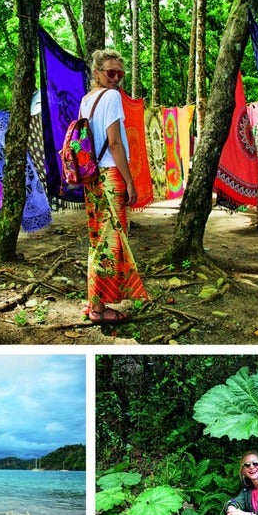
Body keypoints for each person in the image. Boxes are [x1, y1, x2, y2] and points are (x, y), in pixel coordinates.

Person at [79, 49, 148, 324]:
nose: (116, 78)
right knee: (111, 241)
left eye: (120, 73)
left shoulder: (87, 100)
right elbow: (115, 142)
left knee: (98, 240)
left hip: (92, 176)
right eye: (111, 72)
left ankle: (94, 301)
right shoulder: (111, 97)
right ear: (97, 73)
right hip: (110, 175)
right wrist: (130, 181)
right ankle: (99, 310)